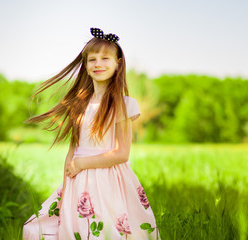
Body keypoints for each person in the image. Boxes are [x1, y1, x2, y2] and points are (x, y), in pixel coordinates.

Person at [23, 28, 160, 240]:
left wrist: (82, 164)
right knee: (55, 230)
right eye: (92, 59)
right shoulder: (79, 105)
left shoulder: (123, 104)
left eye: (105, 58)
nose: (98, 64)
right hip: (78, 182)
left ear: (118, 64)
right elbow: (72, 152)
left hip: (109, 180)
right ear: (86, 67)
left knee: (105, 231)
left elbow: (122, 153)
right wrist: (67, 189)